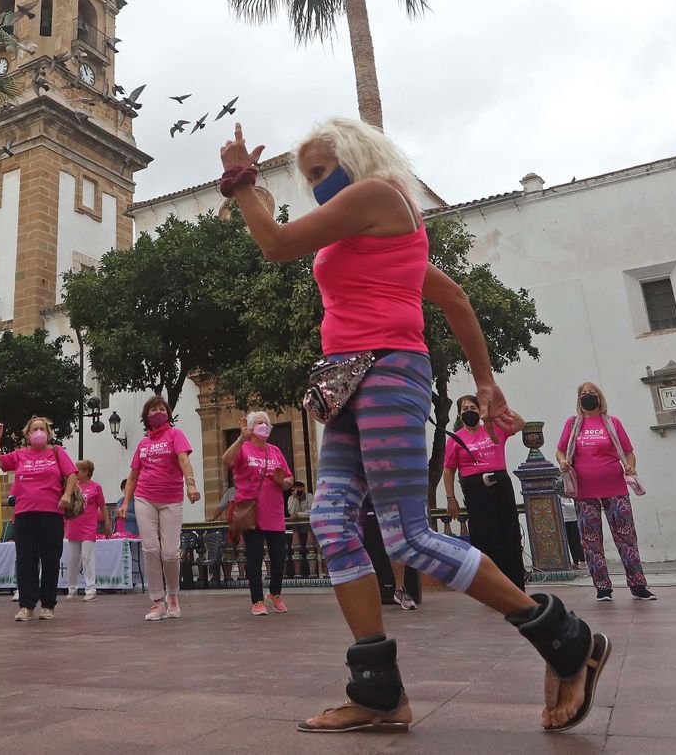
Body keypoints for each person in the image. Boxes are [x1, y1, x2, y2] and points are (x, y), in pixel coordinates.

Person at [220, 118, 609, 734]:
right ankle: (377, 691)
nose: (317, 185)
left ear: (354, 157)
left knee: (405, 535)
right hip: (348, 379)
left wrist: (241, 181)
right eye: (311, 177)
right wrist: (484, 380)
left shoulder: (378, 197)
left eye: (322, 171)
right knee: (329, 518)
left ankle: (567, 638)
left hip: (387, 374)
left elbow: (274, 244)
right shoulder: (380, 232)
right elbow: (452, 296)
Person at [556, 383, 653, 603]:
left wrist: (630, 467)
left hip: (615, 489)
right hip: (584, 492)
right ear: (578, 400)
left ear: (600, 398)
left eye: (592, 394)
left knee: (626, 538)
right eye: (583, 394)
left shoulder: (612, 423)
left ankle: (638, 585)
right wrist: (563, 462)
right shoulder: (573, 424)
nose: (588, 397)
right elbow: (561, 450)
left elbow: (628, 453)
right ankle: (602, 588)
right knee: (591, 541)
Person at [117, 396, 200, 621]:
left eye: (162, 408)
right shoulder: (143, 444)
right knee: (150, 550)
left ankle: (172, 596)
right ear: (146, 416)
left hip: (171, 499)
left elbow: (183, 460)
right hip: (145, 498)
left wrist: (190, 484)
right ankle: (157, 601)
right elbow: (133, 475)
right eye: (153, 409)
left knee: (170, 553)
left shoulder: (175, 434)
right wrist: (126, 502)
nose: (158, 412)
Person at [0, 417, 77, 621]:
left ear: (48, 433)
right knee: (26, 560)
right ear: (28, 435)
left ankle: (48, 604)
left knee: (50, 560)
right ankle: (26, 605)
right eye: (34, 429)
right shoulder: (19, 454)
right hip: (24, 514)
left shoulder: (57, 452)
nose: (38, 432)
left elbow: (71, 474)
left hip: (52, 514)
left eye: (42, 428)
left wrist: (66, 495)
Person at [443, 394, 528, 591]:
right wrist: (451, 498)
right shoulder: (455, 439)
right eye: (465, 409)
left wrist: (500, 410)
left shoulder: (494, 429)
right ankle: (493, 588)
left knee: (509, 533)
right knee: (485, 537)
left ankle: (515, 585)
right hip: (476, 489)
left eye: (473, 408)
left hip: (500, 485)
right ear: (459, 414)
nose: (469, 412)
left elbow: (521, 423)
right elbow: (448, 470)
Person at [224, 412, 296, 617]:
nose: (264, 425)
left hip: (275, 512)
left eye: (267, 422)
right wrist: (240, 439)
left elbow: (290, 479)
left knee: (279, 556)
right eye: (259, 422)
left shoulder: (275, 451)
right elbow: (226, 461)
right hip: (251, 512)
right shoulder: (244, 448)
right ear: (250, 426)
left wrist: (283, 482)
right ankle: (256, 600)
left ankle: (274, 594)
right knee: (254, 557)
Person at [63, 459, 112, 601]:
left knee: (87, 558)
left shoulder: (96, 487)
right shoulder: (72, 486)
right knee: (72, 560)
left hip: (88, 528)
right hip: (73, 527)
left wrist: (107, 523)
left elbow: (103, 506)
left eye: (78, 470)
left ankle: (90, 589)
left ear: (86, 472)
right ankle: (72, 588)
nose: (75, 472)